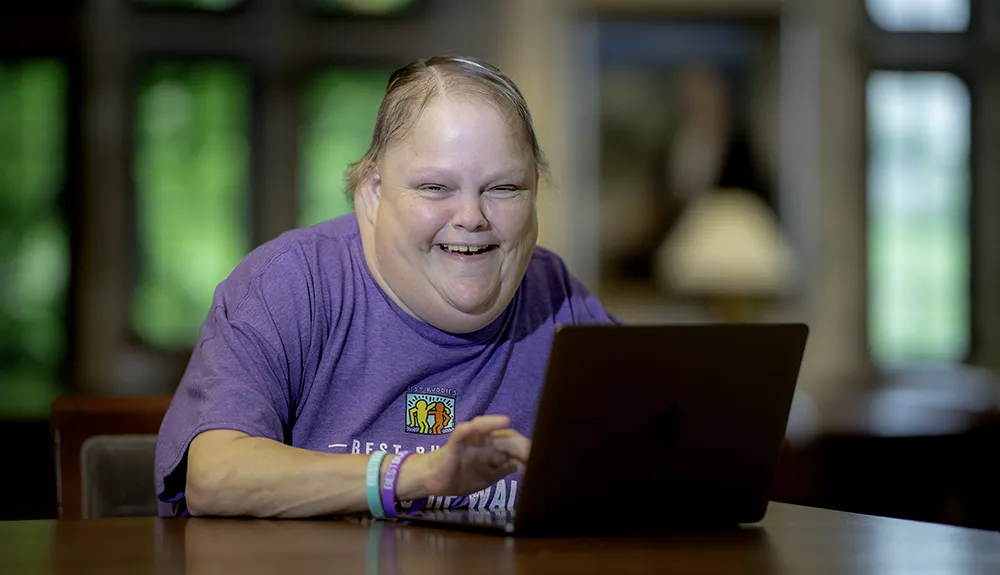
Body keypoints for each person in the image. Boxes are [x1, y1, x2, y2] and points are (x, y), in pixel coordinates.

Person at [154, 55, 619, 518]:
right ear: (373, 191)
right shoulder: (291, 285)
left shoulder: (559, 299)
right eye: (436, 188)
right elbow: (214, 478)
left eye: (504, 189)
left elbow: (663, 454)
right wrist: (415, 476)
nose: (472, 218)